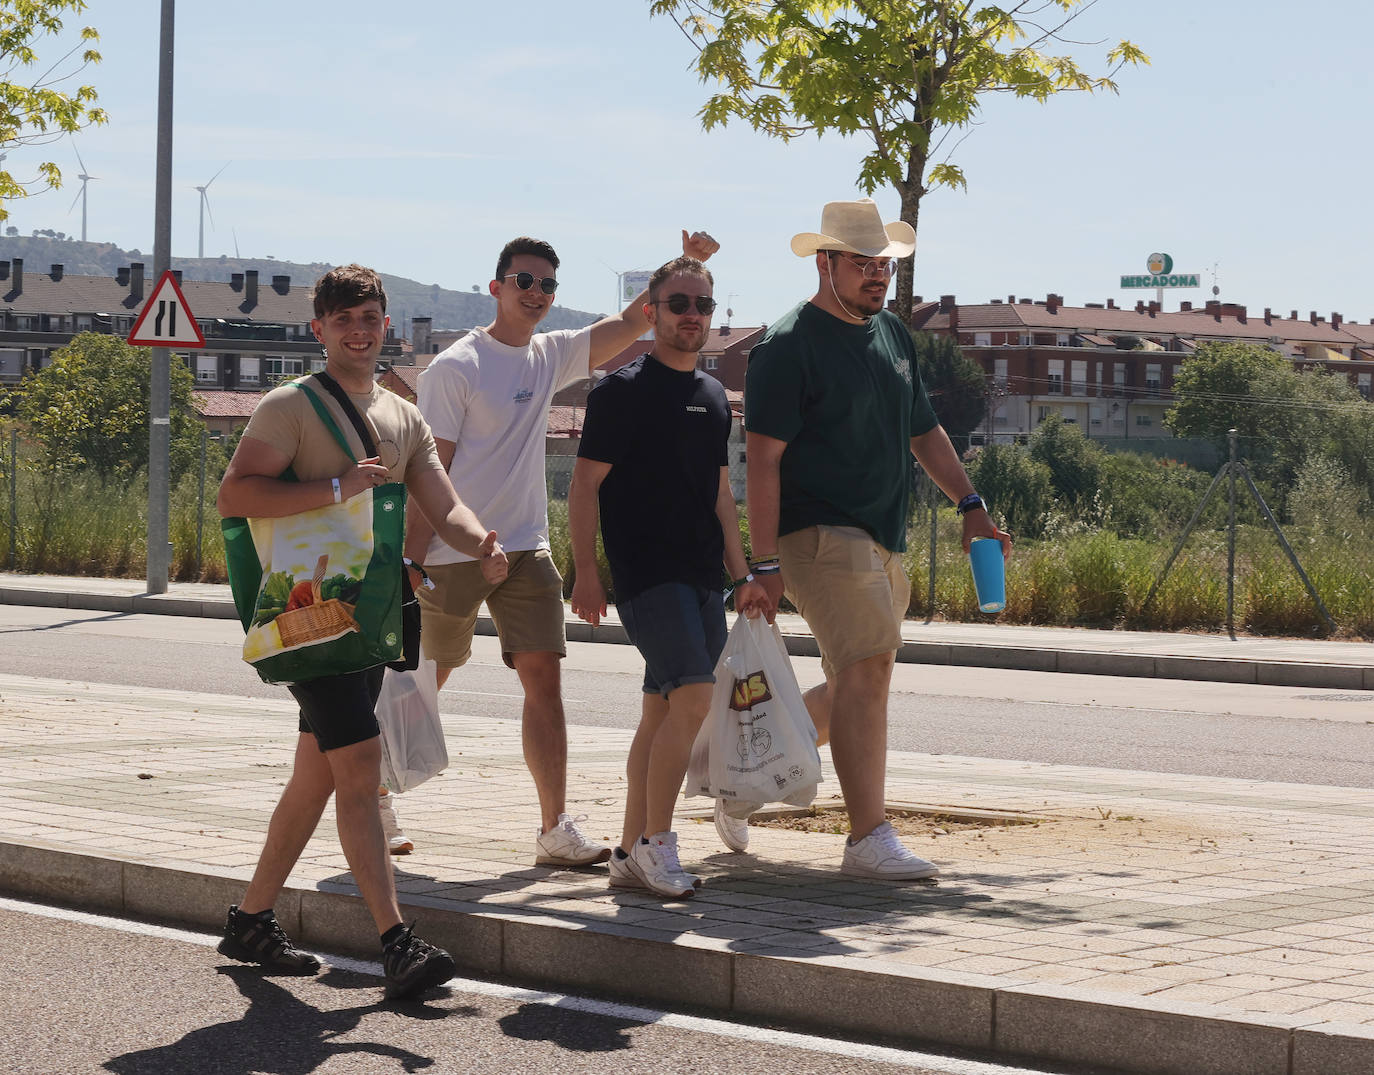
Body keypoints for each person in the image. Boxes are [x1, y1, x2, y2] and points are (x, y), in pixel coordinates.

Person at [216, 264, 509, 998]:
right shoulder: (290, 406)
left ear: (386, 325)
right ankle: (397, 941)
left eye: (370, 317)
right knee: (359, 767)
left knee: (316, 773)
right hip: (306, 619)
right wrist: (336, 487)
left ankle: (251, 919)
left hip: (368, 618)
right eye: (344, 318)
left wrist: (481, 542)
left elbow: (443, 504)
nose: (359, 330)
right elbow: (236, 492)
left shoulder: (403, 416)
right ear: (319, 329)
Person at [400, 229, 719, 866]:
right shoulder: (456, 367)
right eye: (525, 281)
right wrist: (410, 556)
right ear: (496, 287)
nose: (538, 293)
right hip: (448, 552)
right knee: (423, 680)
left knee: (544, 680)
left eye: (548, 284)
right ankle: (375, 793)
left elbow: (635, 320)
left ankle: (553, 827)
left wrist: (689, 264)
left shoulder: (549, 354)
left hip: (524, 548)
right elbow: (429, 470)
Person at [744, 199, 1011, 880]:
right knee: (866, 670)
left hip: (883, 534)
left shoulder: (892, 334)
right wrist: (765, 561)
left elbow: (924, 431)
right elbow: (763, 459)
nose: (878, 276)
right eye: (863, 263)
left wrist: (971, 504)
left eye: (885, 264)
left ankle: (742, 766)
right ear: (824, 262)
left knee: (861, 678)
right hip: (818, 534)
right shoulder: (787, 344)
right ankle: (868, 838)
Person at [568, 255, 769, 898]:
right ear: (650, 311)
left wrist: (744, 577)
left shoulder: (714, 397)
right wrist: (587, 573)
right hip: (645, 573)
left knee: (660, 713)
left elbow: (721, 496)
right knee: (692, 699)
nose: (693, 316)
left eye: (703, 306)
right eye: (679, 304)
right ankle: (660, 843)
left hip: (703, 575)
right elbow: (583, 487)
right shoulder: (619, 391)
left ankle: (629, 851)